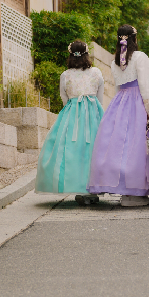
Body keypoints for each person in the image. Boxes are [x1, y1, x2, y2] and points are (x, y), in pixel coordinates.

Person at [88, 25, 149, 206]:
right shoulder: (140, 57)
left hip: (120, 102)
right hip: (138, 102)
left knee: (121, 145)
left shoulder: (114, 61)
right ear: (135, 38)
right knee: (138, 145)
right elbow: (144, 86)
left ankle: (124, 188)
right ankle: (137, 189)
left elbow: (118, 87)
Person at [36, 41, 105, 202]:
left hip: (72, 113)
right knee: (93, 149)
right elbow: (100, 97)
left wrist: (74, 106)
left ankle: (78, 188)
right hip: (94, 112)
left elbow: (64, 98)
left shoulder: (65, 75)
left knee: (71, 150)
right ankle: (94, 188)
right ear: (87, 54)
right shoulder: (96, 72)